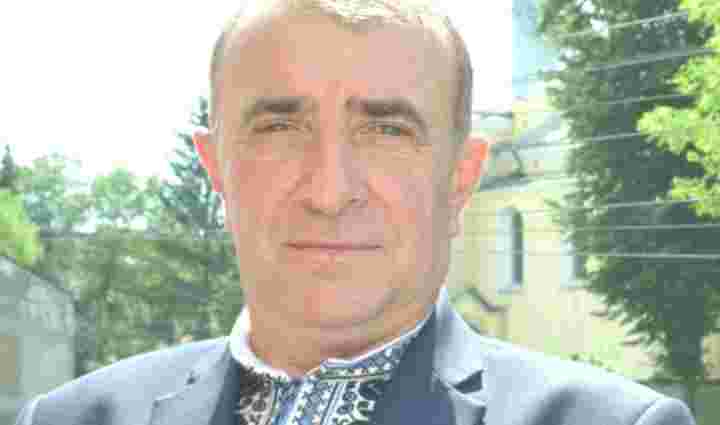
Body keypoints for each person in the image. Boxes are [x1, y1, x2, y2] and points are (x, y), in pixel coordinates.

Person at [15, 1, 695, 424]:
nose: (330, 190)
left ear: (460, 179)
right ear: (216, 166)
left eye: (387, 130)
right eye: (280, 127)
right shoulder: (70, 420)